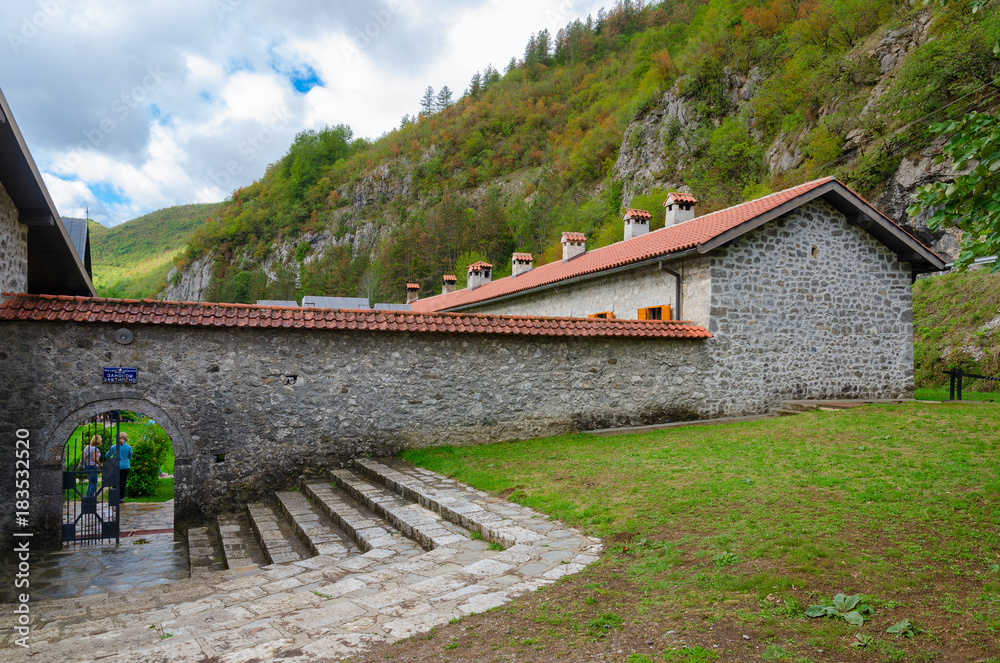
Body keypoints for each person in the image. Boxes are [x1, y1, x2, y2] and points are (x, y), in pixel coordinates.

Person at [107, 432, 133, 501]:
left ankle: (115, 498)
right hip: (125, 466)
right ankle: (121, 498)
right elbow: (130, 456)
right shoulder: (128, 447)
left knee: (115, 482)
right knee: (123, 482)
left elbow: (107, 455)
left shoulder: (113, 447)